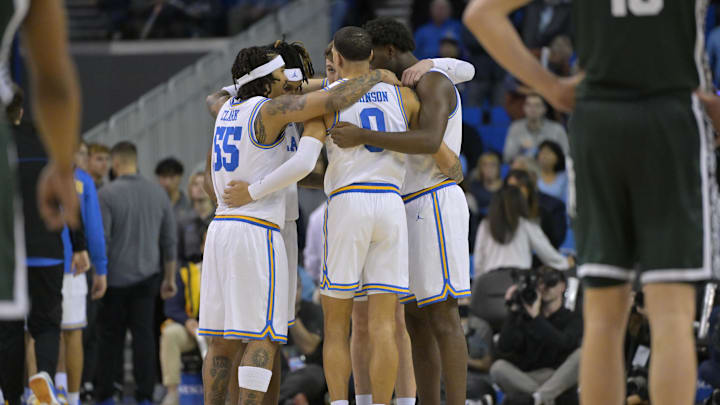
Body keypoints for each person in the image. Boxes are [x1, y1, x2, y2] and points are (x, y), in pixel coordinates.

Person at [464, 1, 720, 405]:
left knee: (602, 318)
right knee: (670, 314)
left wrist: (549, 86)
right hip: (673, 119)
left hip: (598, 121)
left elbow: (480, 13)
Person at [199, 36, 402, 405]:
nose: (291, 84)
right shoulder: (275, 110)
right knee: (263, 335)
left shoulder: (226, 105)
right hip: (259, 227)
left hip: (224, 227)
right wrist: (374, 74)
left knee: (226, 338)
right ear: (267, 80)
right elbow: (334, 101)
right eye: (283, 77)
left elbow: (292, 167)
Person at [330, 17, 470, 405]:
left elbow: (428, 140)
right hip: (403, 203)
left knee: (444, 317)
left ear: (389, 51)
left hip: (435, 198)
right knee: (415, 321)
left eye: (372, 57)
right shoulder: (398, 87)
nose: (369, 67)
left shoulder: (433, 80)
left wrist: (364, 136)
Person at [96, 141, 178, 405]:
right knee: (144, 337)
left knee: (110, 339)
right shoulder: (158, 193)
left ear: (115, 163)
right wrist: (169, 278)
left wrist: (99, 276)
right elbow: (169, 240)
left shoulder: (106, 194)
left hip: (114, 280)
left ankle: (107, 395)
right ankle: (145, 395)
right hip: (147, 279)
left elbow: (103, 241)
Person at [55, 141, 108, 405]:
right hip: (75, 267)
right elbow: (94, 231)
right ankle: (72, 398)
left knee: (38, 333)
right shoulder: (84, 182)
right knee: (72, 331)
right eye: (84, 153)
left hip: (40, 264)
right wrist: (101, 269)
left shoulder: (40, 175)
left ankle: (52, 391)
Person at [491, 267, 581, 405]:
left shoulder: (572, 318)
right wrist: (513, 310)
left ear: (562, 286)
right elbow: (503, 347)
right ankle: (543, 399)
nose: (544, 288)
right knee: (498, 368)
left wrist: (536, 318)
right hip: (526, 377)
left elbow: (563, 343)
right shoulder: (524, 315)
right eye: (540, 283)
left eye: (550, 283)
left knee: (582, 354)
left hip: (557, 376)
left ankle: (537, 399)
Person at [159, 228, 205, 405]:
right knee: (170, 334)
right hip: (191, 330)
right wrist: (187, 321)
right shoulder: (187, 272)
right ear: (202, 245)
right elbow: (171, 306)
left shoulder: (231, 273)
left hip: (218, 330)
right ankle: (173, 393)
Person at [505, 169, 566, 250]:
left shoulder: (544, 213)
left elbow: (552, 245)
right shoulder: (499, 215)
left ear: (528, 188)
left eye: (520, 186)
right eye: (511, 187)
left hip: (540, 259)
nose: (515, 192)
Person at [502, 93, 568, 163]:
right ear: (524, 108)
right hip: (524, 170)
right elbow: (507, 157)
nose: (532, 109)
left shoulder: (557, 129)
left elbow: (566, 156)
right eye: (529, 105)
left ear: (544, 109)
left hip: (552, 170)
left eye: (537, 105)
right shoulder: (515, 128)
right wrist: (521, 149)